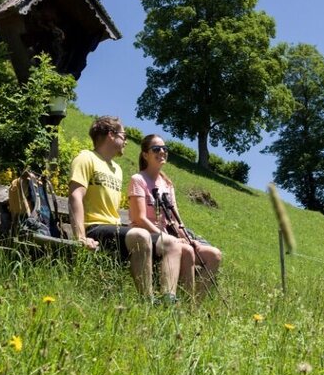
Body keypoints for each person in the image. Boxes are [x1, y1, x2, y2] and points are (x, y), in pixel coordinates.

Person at [68, 117, 183, 302]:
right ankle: (147, 300)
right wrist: (81, 236)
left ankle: (168, 301)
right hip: (95, 228)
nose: (127, 141)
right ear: (111, 135)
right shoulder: (85, 158)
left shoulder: (117, 169)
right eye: (124, 135)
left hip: (116, 229)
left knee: (172, 243)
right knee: (141, 235)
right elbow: (75, 196)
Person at [128, 134, 223, 298]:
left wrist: (185, 236)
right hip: (148, 235)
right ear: (145, 154)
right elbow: (139, 218)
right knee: (186, 251)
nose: (162, 152)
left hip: (168, 236)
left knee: (214, 255)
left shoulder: (167, 184)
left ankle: (193, 306)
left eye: (165, 149)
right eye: (156, 149)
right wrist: (167, 237)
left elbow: (175, 218)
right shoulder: (138, 180)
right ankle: (171, 301)